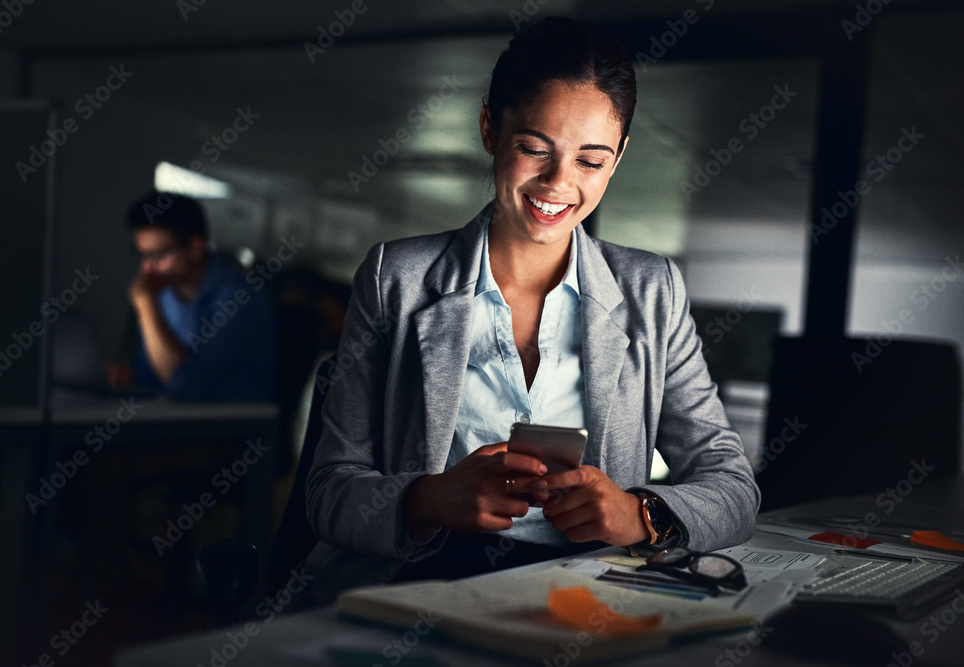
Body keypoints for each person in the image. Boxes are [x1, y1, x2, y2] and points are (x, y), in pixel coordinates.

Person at [303, 17, 759, 605]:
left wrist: (641, 513)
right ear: (490, 129)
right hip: (422, 582)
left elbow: (732, 486)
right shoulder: (397, 278)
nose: (558, 184)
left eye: (590, 162)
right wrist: (428, 499)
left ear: (618, 158)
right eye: (534, 149)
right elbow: (328, 492)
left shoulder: (653, 290)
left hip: (591, 592)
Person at [107, 192, 276, 401]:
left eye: (158, 255)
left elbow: (186, 386)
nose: (146, 268)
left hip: (227, 425)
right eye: (142, 255)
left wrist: (145, 304)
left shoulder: (237, 298)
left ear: (195, 247)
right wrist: (130, 376)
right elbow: (151, 373)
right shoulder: (165, 293)